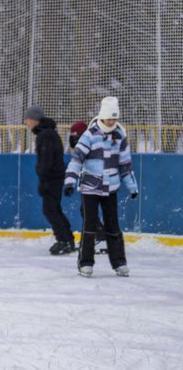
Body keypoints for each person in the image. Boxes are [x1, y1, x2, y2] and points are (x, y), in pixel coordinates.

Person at [63, 96, 138, 277]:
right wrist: (70, 181)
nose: (112, 121)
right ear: (102, 116)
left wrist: (132, 187)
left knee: (113, 226)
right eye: (109, 118)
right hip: (90, 187)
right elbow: (77, 159)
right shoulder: (90, 135)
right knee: (89, 226)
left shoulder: (120, 136)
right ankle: (85, 263)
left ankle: (119, 262)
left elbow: (125, 164)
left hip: (111, 188)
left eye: (114, 118)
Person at [24, 106, 74, 255]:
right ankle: (67, 239)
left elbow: (46, 160)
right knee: (54, 209)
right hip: (54, 178)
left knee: (50, 210)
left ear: (34, 119)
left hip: (52, 179)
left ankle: (64, 241)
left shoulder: (45, 136)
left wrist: (44, 181)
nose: (26, 122)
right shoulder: (48, 133)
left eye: (27, 119)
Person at [69, 120, 105, 251]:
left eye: (75, 136)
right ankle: (100, 237)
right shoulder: (84, 146)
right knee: (86, 211)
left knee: (87, 210)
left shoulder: (90, 144)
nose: (73, 140)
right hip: (91, 183)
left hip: (97, 182)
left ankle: (102, 238)